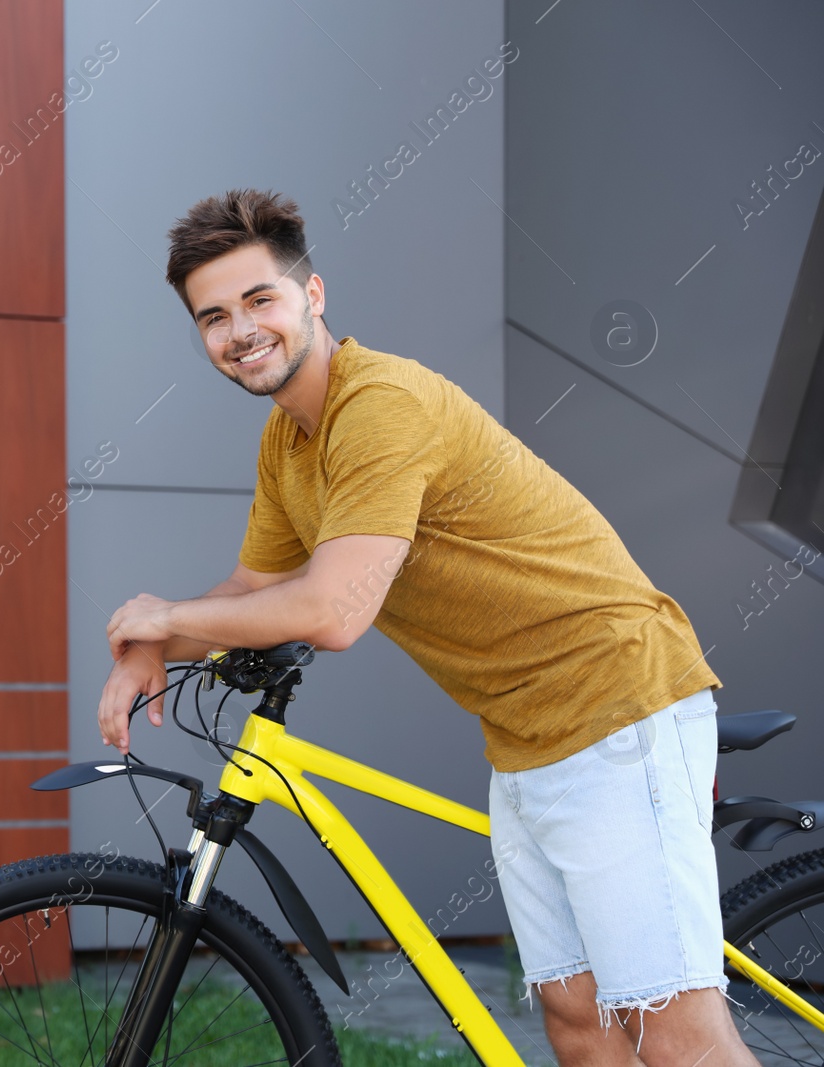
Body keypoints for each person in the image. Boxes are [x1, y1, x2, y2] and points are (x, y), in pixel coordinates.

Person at [96, 188, 754, 1067]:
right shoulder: (289, 442)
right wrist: (150, 649)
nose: (239, 329)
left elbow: (331, 609)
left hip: (619, 701)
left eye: (260, 299)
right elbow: (253, 586)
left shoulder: (381, 407)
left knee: (674, 1039)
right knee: (577, 1023)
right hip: (525, 737)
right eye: (213, 316)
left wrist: (167, 615)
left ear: (313, 295)